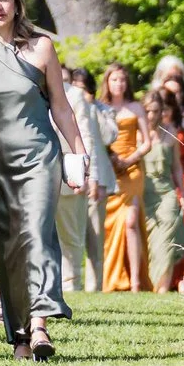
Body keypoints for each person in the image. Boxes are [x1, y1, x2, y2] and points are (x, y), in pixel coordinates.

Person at [0, 0, 89, 361]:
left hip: (39, 157)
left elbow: (61, 107)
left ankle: (39, 327)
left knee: (36, 233)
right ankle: (17, 332)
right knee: (6, 249)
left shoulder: (42, 47)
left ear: (16, 3)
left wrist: (79, 155)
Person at [96, 63, 149, 292]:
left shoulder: (136, 107)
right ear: (107, 82)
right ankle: (113, 278)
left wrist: (130, 158)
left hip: (133, 168)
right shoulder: (100, 107)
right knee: (111, 226)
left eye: (123, 80)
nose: (119, 84)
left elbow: (147, 142)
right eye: (115, 79)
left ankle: (136, 281)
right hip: (109, 168)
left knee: (130, 222)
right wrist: (111, 157)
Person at [140, 82, 184, 294]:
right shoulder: (137, 134)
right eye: (147, 111)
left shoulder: (170, 133)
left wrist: (180, 194)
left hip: (166, 193)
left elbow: (175, 167)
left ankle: (161, 288)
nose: (152, 115)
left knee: (166, 238)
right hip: (144, 193)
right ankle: (150, 284)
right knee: (152, 244)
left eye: (156, 111)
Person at [57, 67, 109, 294]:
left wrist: (89, 174)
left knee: (71, 238)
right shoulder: (32, 88)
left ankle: (71, 287)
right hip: (37, 174)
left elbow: (87, 138)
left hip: (70, 174)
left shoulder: (75, 96)